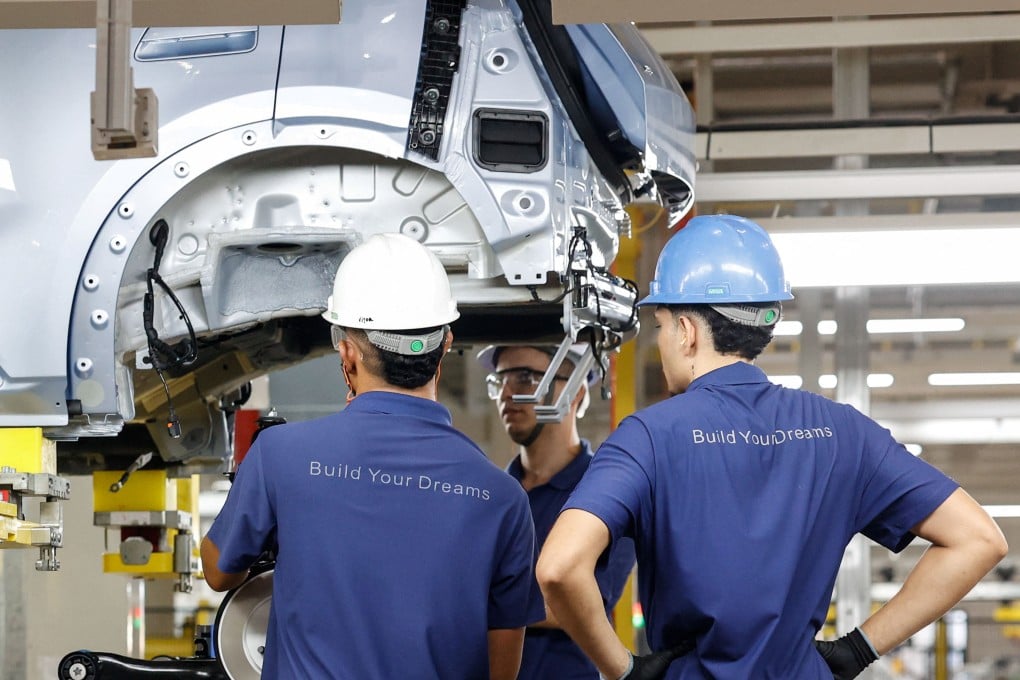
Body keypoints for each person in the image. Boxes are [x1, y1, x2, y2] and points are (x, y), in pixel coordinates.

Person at [536, 214, 1008, 679]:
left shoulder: (648, 436)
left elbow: (559, 567)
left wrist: (621, 669)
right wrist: (856, 651)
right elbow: (979, 540)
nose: (661, 342)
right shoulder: (843, 432)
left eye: (660, 326)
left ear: (688, 331)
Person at [200, 233, 538, 680]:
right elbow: (502, 670)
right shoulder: (503, 499)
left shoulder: (280, 456)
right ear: (446, 344)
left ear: (347, 353)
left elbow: (219, 572)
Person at [478, 343, 637, 679]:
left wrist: (477, 601)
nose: (507, 393)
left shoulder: (610, 491)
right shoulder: (490, 496)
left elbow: (586, 601)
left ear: (576, 392)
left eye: (525, 378)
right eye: (499, 380)